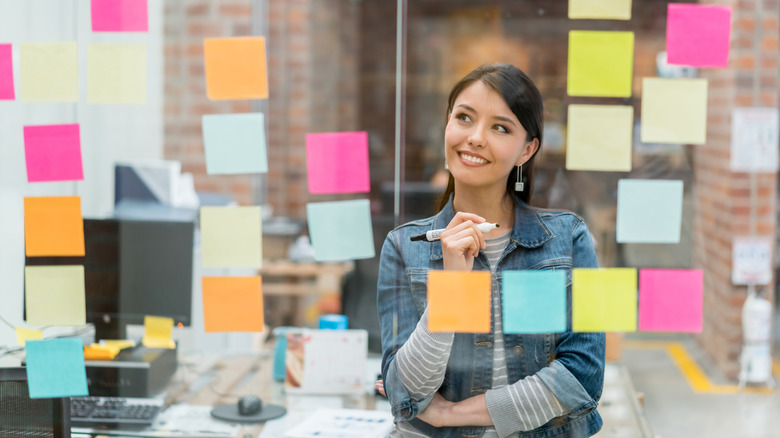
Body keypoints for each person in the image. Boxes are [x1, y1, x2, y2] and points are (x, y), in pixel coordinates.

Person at [376, 64, 605, 438]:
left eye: (501, 127)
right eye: (464, 117)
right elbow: (406, 393)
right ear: (447, 124)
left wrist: (450, 414)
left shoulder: (569, 239)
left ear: (526, 150)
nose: (475, 138)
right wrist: (452, 288)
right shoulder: (404, 248)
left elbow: (582, 379)